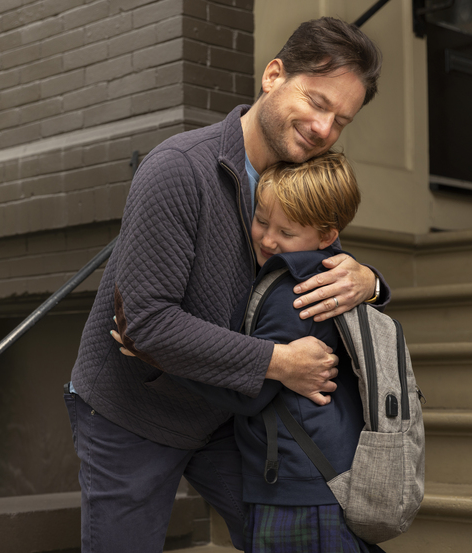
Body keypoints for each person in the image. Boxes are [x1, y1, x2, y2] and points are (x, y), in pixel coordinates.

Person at [65, 17, 385, 552]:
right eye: (317, 102)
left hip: (225, 412)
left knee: (304, 537)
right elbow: (147, 323)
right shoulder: (178, 169)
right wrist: (282, 363)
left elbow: (321, 258)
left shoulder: (297, 178)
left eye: (341, 120)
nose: (324, 128)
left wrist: (372, 281)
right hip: (132, 411)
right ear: (273, 75)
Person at [172, 152, 382, 553]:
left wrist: (168, 357)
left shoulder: (295, 295)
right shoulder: (321, 272)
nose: (268, 239)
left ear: (327, 236)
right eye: (262, 221)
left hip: (299, 483)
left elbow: (247, 391)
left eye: (286, 232)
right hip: (319, 470)